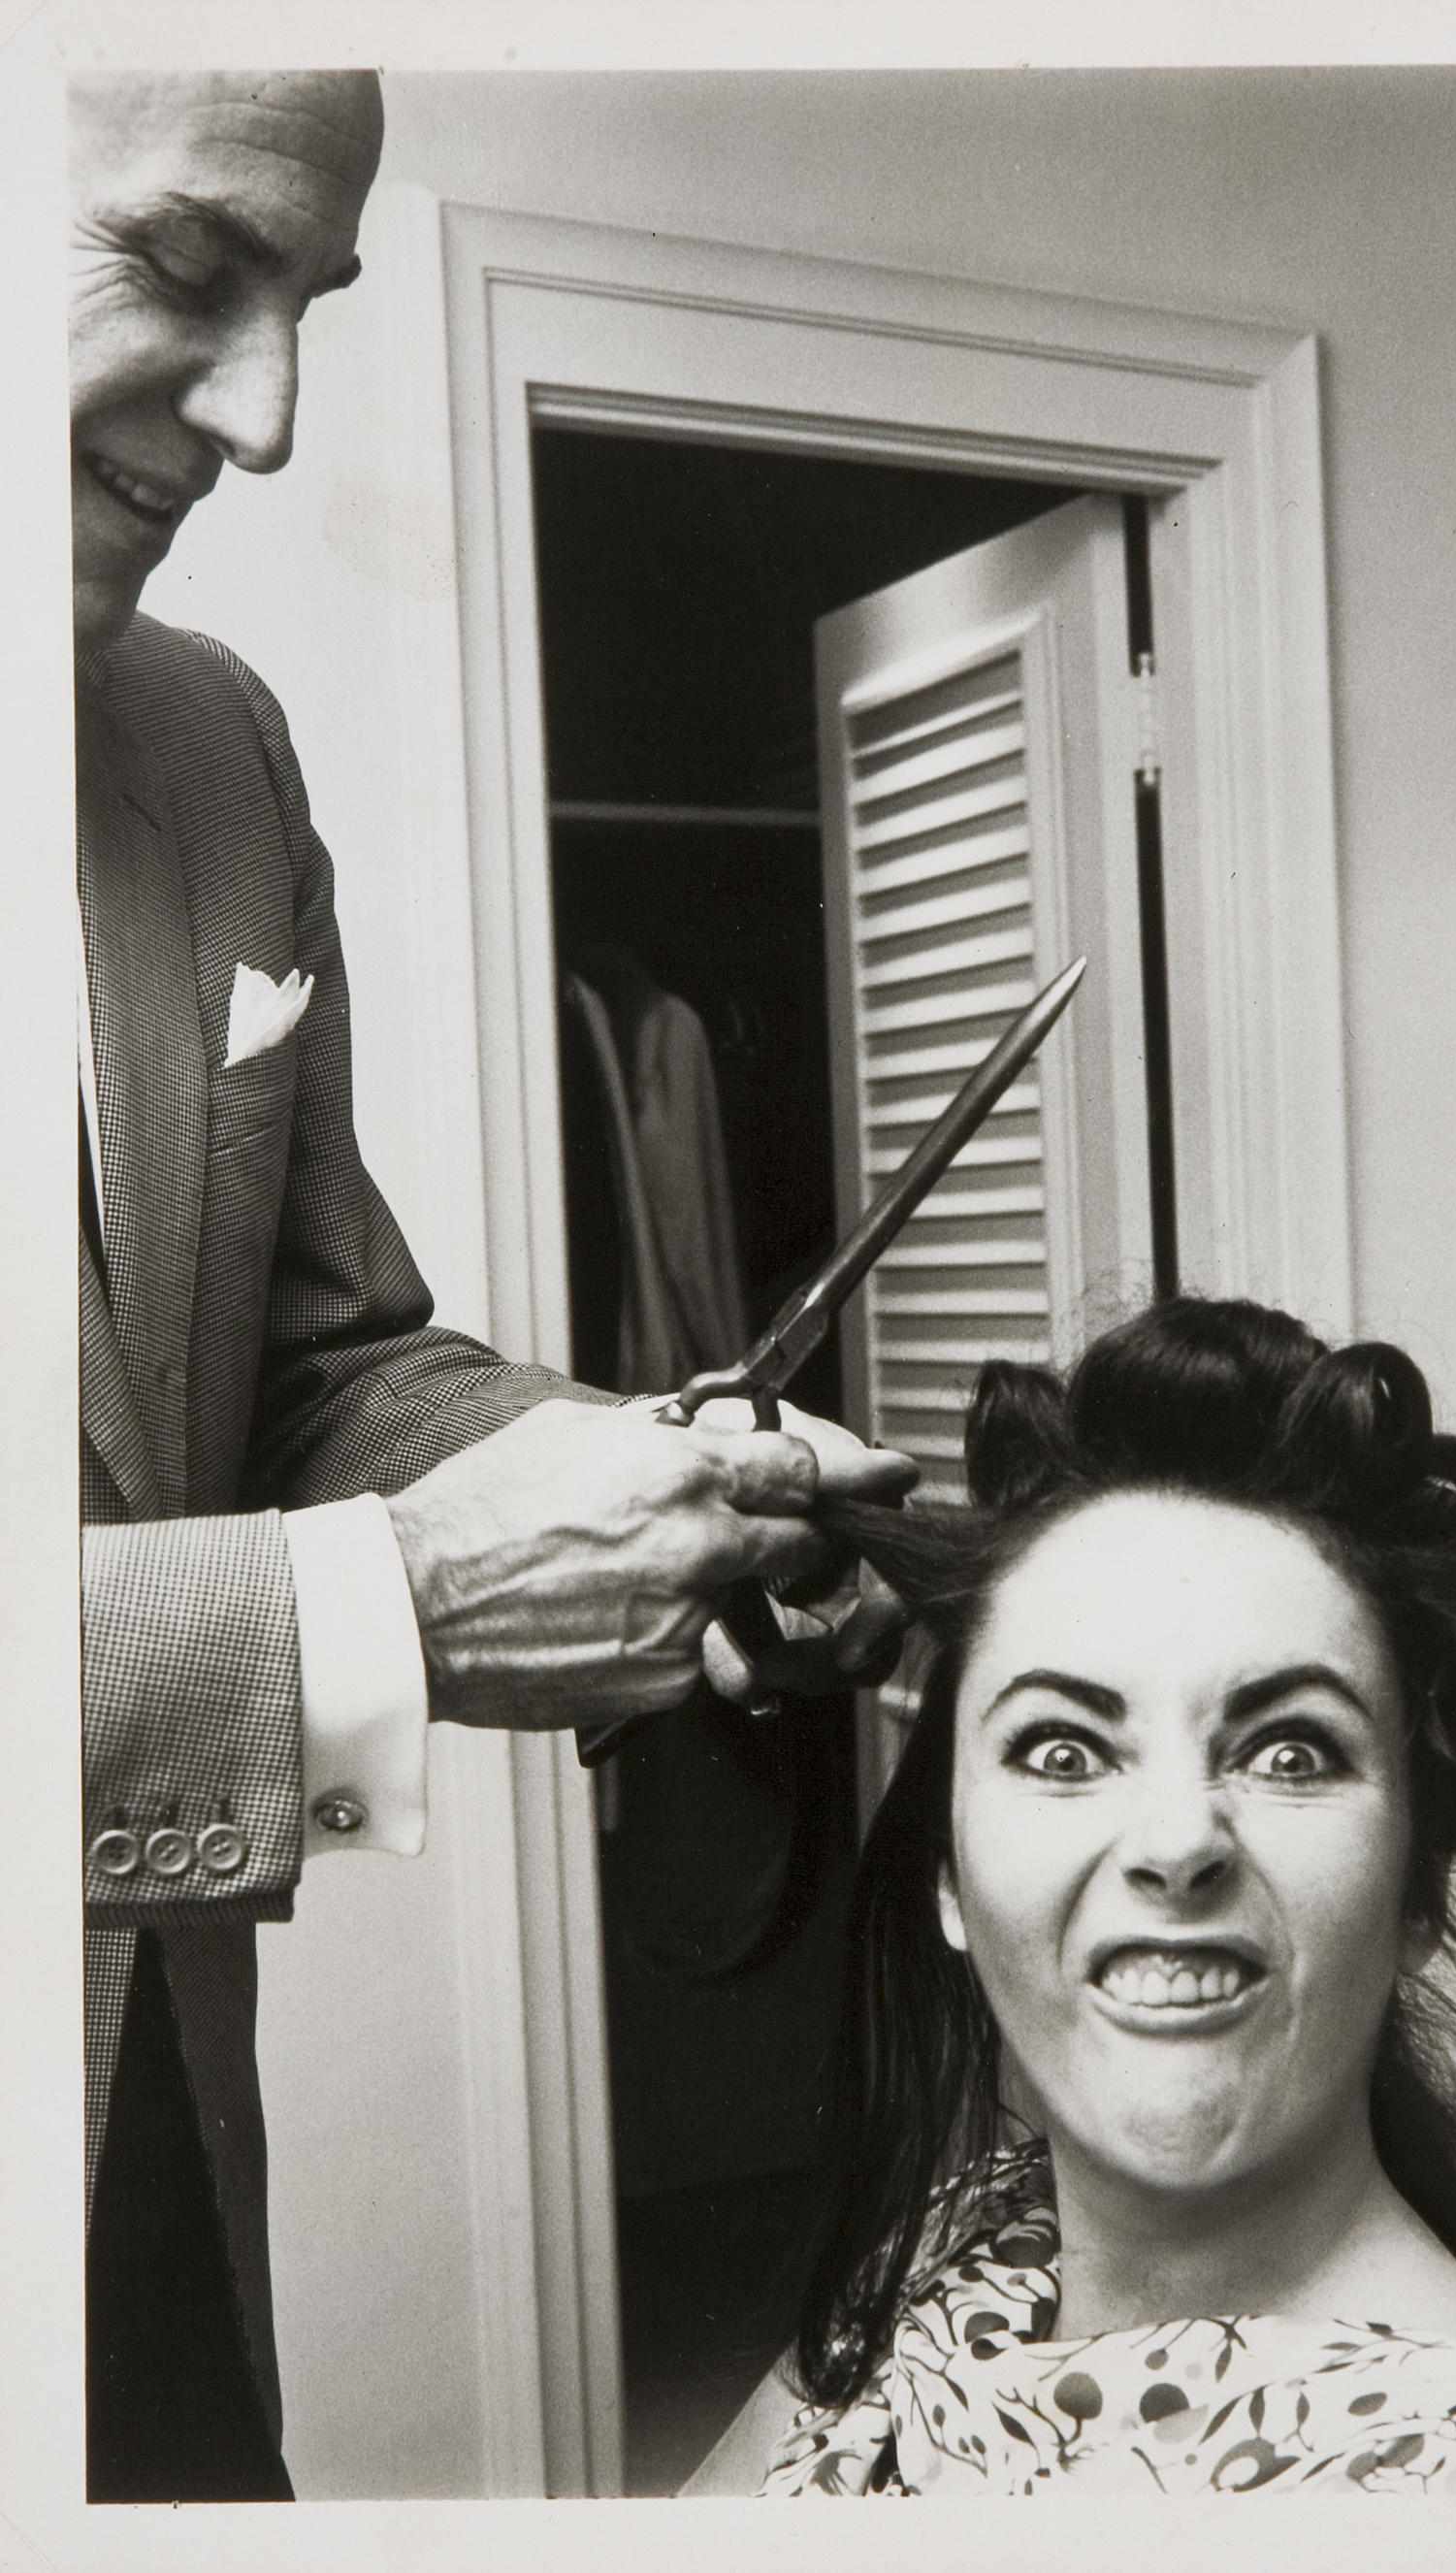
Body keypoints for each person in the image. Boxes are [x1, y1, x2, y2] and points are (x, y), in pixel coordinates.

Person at [70, 70, 914, 2503]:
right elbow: (367, 1567)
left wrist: (640, 1475)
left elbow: (310, 1357)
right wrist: (402, 1614)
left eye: (309, 305)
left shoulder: (208, 749)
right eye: (184, 266)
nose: (264, 416)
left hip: (149, 2165)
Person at [689, 1298, 1456, 2496]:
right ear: (948, 1879)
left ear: (1416, 1892)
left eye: (1290, 1752)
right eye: (1063, 1751)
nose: (1180, 1842)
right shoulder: (965, 2239)